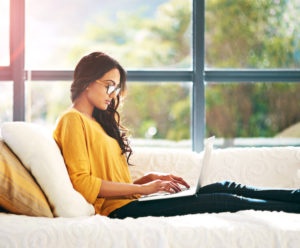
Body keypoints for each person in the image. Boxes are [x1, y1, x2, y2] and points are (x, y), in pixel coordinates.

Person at [53, 51, 300, 219]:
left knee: (224, 187)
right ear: (87, 82)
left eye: (115, 88)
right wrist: (147, 190)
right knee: (223, 200)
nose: (113, 94)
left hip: (130, 201)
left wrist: (145, 181)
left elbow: (109, 180)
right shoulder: (72, 121)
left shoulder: (96, 121)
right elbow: (84, 184)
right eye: (109, 85)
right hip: (120, 211)